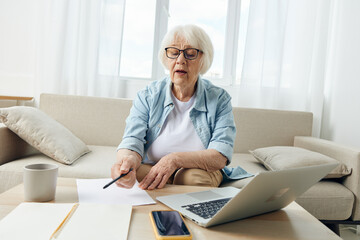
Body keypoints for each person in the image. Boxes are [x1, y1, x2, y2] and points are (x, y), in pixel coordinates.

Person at [111, 24, 237, 190]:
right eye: (174, 52)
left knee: (192, 178)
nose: (180, 60)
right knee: (135, 174)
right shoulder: (148, 95)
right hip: (153, 166)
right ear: (166, 57)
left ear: (203, 60)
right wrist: (126, 162)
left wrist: (174, 159)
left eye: (190, 54)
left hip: (199, 171)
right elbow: (132, 140)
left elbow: (220, 155)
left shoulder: (219, 99)